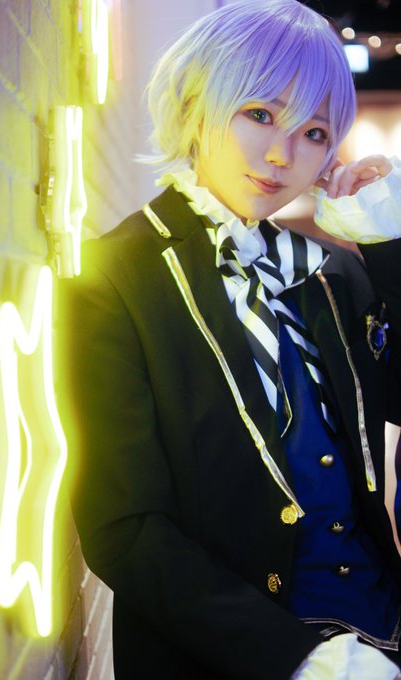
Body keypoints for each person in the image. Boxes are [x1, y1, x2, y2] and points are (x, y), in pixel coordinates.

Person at [59, 1, 401, 677]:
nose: (281, 155)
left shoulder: (328, 272)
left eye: (312, 133)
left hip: (381, 629)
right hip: (239, 658)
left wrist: (387, 244)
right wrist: (300, 660)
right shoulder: (113, 279)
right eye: (260, 114)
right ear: (196, 102)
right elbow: (124, 528)